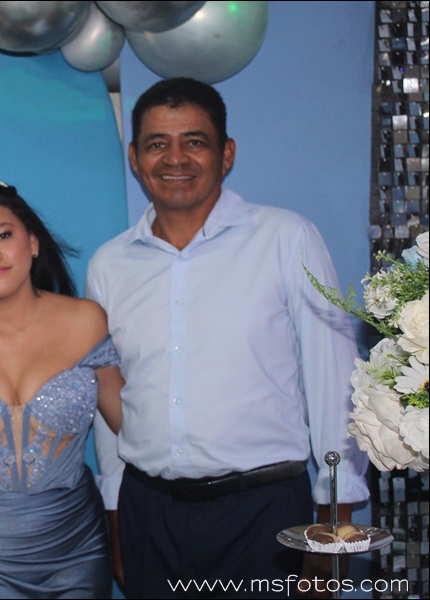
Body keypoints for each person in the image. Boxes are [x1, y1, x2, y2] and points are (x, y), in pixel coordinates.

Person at [87, 78, 369, 598]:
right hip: (150, 514)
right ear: (134, 158)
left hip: (263, 515)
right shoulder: (109, 265)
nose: (175, 158)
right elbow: (111, 401)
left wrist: (335, 528)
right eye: (157, 143)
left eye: (194, 141)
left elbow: (335, 389)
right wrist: (117, 518)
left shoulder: (286, 239)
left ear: (227, 153)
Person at [0, 180, 125, 599]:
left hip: (76, 546)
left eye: (3, 235)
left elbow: (135, 427)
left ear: (32, 242)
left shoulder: (86, 322)